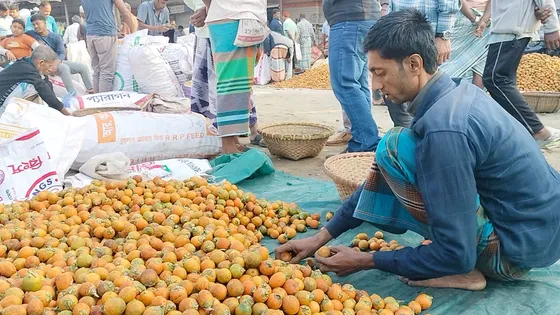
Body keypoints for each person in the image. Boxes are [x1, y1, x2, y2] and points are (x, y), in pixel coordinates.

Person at [276, 8, 560, 291]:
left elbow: (455, 252)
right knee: (399, 152)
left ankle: (467, 272)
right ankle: (463, 255)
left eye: (380, 73)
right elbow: (380, 178)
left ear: (414, 64)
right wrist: (321, 237)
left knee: (393, 146)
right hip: (537, 235)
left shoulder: (444, 129)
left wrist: (367, 260)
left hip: (514, 254)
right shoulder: (454, 93)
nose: (375, 86)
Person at [186, 0, 265, 150]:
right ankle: (228, 145)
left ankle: (233, 140)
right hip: (232, 18)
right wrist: (212, 7)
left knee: (240, 84)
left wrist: (212, 7)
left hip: (240, 16)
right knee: (232, 84)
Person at [483, 0, 560, 147]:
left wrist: (552, 27)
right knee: (503, 81)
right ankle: (523, 131)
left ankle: (538, 131)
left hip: (511, 29)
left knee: (495, 79)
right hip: (506, 27)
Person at [323, 0, 384, 153]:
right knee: (358, 83)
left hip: (350, 20)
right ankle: (362, 139)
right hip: (361, 19)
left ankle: (366, 143)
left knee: (345, 84)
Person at [27, 14, 94, 95]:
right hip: (43, 64)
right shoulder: (32, 34)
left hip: (55, 61)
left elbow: (61, 53)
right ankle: (72, 94)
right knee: (64, 68)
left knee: (83, 67)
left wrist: (55, 64)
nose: (36, 26)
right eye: (34, 25)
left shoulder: (55, 37)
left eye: (38, 23)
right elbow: (19, 35)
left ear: (45, 23)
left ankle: (91, 90)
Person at [81, 0, 136, 93]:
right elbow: (125, 12)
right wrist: (135, 32)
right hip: (105, 34)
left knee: (97, 71)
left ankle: (96, 101)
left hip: (90, 35)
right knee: (106, 73)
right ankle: (104, 104)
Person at [0, 46, 70, 115]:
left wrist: (57, 105)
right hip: (2, 106)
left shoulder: (28, 63)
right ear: (41, 63)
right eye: (49, 66)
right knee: (33, 87)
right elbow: (45, 91)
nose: (51, 69)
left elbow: (46, 83)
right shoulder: (27, 69)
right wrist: (66, 114)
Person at [439, 0, 491, 88]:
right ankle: (475, 99)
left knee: (445, 63)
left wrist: (474, 19)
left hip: (463, 19)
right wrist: (484, 20)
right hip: (485, 22)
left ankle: (441, 94)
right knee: (480, 65)